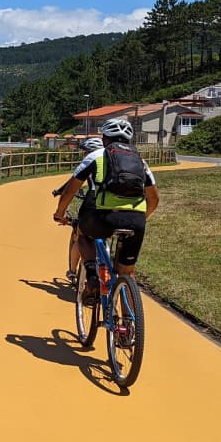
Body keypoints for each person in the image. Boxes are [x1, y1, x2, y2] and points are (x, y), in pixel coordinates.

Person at [52, 119, 160, 304]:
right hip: (136, 220)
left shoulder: (97, 156)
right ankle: (129, 326)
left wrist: (60, 213)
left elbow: (71, 189)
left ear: (104, 139)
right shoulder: (140, 161)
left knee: (83, 234)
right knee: (127, 272)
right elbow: (154, 198)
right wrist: (142, 217)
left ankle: (92, 274)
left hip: (104, 216)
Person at [57, 136, 105, 282]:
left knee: (80, 235)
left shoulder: (91, 160)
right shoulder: (111, 161)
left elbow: (73, 184)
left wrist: (60, 211)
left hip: (93, 203)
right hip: (118, 207)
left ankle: (72, 271)